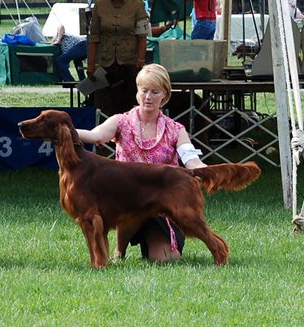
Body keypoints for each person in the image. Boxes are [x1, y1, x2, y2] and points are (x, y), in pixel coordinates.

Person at [77, 63, 207, 262]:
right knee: (131, 204)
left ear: (165, 95)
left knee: (166, 259)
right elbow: (95, 136)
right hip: (127, 201)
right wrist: (66, 131)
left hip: (164, 204)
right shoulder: (121, 121)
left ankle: (153, 240)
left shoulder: (176, 130)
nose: (148, 97)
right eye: (144, 90)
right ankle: (120, 251)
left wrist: (206, 170)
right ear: (137, 92)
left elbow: (191, 159)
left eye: (155, 92)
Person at [87, 0, 149, 116]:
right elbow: (94, 37)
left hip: (130, 65)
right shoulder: (99, 5)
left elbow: (142, 36)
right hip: (105, 63)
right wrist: (91, 65)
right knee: (102, 105)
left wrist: (140, 59)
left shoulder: (138, 5)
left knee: (128, 105)